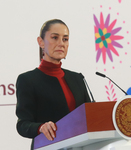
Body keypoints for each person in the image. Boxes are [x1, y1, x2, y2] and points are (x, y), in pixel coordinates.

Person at [15, 19, 91, 150]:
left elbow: (90, 115)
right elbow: (23, 124)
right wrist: (40, 127)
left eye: (65, 39)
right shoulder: (27, 80)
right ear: (41, 42)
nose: (61, 43)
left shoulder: (77, 78)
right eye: (55, 38)